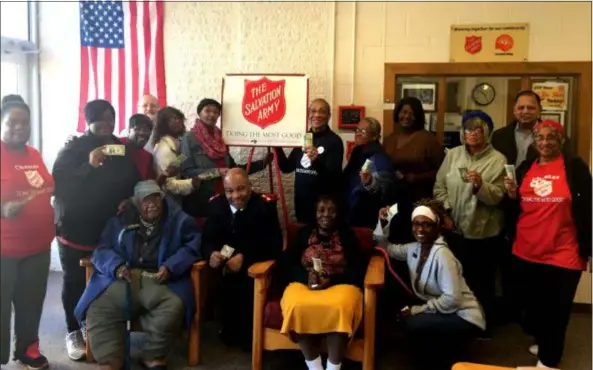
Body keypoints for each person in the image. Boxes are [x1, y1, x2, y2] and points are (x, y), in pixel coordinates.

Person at [74, 180, 201, 370]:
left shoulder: (179, 220)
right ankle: (110, 359)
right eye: (145, 200)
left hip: (158, 279)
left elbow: (192, 247)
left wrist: (170, 267)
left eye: (156, 199)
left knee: (174, 305)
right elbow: (102, 250)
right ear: (136, 203)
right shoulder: (121, 220)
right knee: (98, 306)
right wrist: (116, 267)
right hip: (122, 277)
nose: (152, 204)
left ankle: (152, 355)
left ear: (162, 199)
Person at [52, 99, 141, 360]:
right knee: (75, 280)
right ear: (88, 121)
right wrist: (88, 165)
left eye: (111, 119)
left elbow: (133, 180)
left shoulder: (120, 148)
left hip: (109, 230)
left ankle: (94, 324)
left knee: (105, 279)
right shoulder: (74, 148)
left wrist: (130, 198)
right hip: (75, 228)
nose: (106, 124)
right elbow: (59, 185)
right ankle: (73, 330)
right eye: (100, 119)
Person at [503, 120, 591, 369]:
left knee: (557, 309)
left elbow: (588, 208)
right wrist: (511, 195)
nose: (544, 142)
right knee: (534, 307)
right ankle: (545, 341)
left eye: (551, 137)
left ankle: (549, 361)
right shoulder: (526, 167)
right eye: (539, 137)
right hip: (527, 249)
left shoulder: (575, 168)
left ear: (561, 140)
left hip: (563, 251)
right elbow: (516, 207)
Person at [377, 199, 485, 370]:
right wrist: (383, 222)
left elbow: (452, 299)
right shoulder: (415, 248)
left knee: (412, 323)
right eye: (416, 224)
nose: (420, 229)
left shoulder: (443, 255)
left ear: (436, 227)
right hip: (445, 310)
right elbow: (385, 247)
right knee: (406, 322)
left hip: (463, 315)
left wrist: (418, 310)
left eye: (426, 225)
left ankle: (442, 361)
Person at [433, 110, 506, 337]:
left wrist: (479, 186)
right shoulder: (453, 155)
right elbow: (439, 187)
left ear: (487, 132)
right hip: (454, 229)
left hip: (483, 231)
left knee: (482, 282)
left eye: (478, 129)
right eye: (467, 129)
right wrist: (446, 210)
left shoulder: (498, 160)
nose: (472, 133)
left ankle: (482, 325)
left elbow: (498, 196)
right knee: (454, 277)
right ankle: (456, 322)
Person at [278, 195, 368, 370]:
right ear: (315, 213)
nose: (326, 215)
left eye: (332, 211)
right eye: (321, 210)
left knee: (340, 307)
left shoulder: (347, 235)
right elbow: (288, 263)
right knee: (297, 305)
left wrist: (331, 280)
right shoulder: (304, 233)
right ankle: (315, 368)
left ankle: (333, 368)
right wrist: (306, 277)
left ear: (338, 213)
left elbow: (358, 269)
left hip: (340, 284)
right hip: (305, 284)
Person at [201, 168, 283, 349]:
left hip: (252, 271)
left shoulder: (264, 207)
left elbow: (274, 245)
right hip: (223, 271)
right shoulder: (217, 206)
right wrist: (211, 254)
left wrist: (244, 257)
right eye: (230, 191)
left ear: (250, 187)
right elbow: (207, 239)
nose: (236, 196)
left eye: (241, 189)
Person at [1, 100, 54, 369]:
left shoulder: (33, 154)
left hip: (38, 246)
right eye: (13, 122)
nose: (19, 128)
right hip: (4, 249)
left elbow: (48, 185)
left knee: (31, 301)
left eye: (25, 123)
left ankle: (27, 348)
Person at [180, 98, 272, 218]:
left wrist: (262, 163)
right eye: (207, 111)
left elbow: (234, 170)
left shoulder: (220, 138)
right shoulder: (188, 138)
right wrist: (216, 172)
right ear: (199, 113)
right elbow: (186, 171)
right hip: (202, 198)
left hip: (225, 196)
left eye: (216, 112)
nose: (212, 115)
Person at [382, 96, 445, 243]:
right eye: (403, 112)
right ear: (397, 113)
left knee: (414, 239)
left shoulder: (427, 140)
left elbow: (442, 172)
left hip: (418, 199)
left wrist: (415, 178)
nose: (406, 116)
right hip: (393, 198)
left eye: (411, 113)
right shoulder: (389, 139)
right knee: (394, 238)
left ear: (418, 116)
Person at [275, 99, 344, 224]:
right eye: (313, 111)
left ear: (328, 116)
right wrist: (276, 146)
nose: (316, 115)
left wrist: (315, 162)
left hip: (323, 209)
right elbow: (287, 167)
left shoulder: (334, 141)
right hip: (302, 203)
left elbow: (334, 177)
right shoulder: (303, 137)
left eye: (322, 112)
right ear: (308, 114)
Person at [342, 117, 396, 228]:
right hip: (351, 213)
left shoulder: (375, 157)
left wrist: (370, 182)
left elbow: (382, 187)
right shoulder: (359, 152)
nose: (358, 134)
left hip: (365, 218)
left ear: (375, 136)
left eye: (363, 131)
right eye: (357, 130)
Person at [153, 106, 199, 201]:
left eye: (178, 118)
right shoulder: (164, 148)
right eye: (172, 119)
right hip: (168, 201)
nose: (177, 121)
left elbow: (177, 164)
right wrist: (192, 183)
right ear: (163, 123)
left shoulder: (176, 143)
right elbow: (168, 184)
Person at [119, 114, 155, 180]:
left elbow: (147, 183)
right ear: (129, 129)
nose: (142, 133)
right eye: (138, 128)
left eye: (147, 130)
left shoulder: (148, 157)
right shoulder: (116, 144)